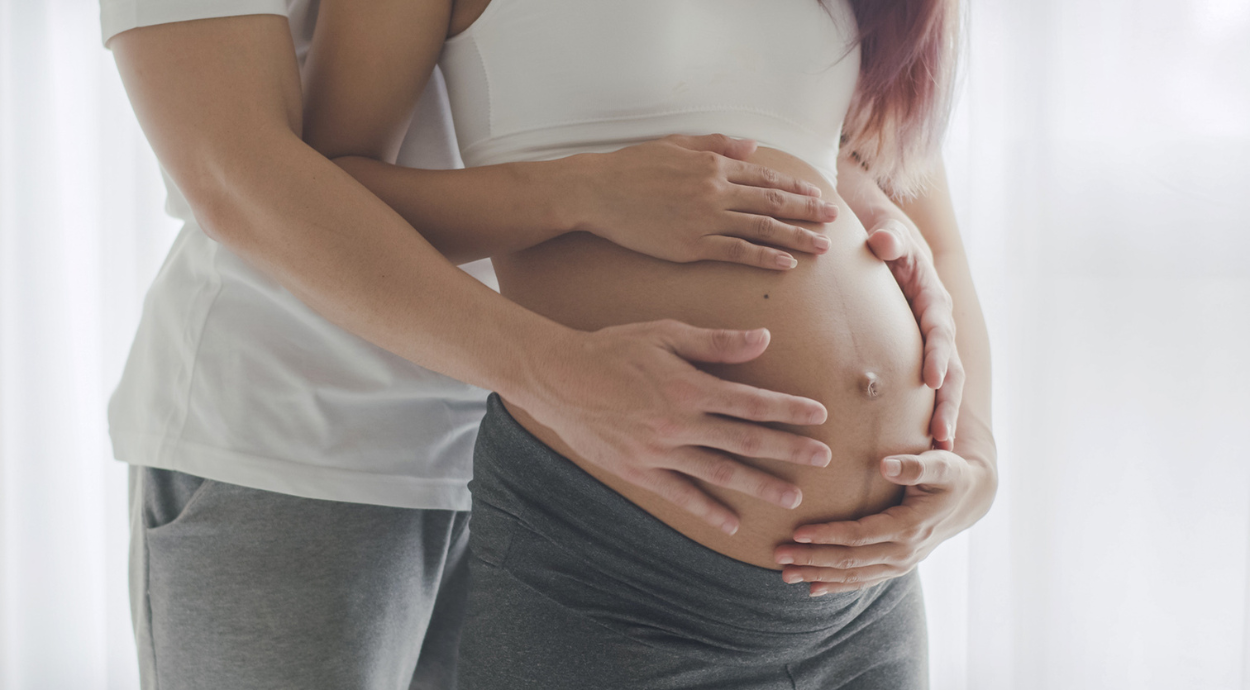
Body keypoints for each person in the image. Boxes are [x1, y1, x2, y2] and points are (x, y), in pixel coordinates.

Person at [102, 1, 964, 688]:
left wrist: (854, 190)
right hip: (312, 436)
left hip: (561, 438)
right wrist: (577, 226)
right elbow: (239, 177)